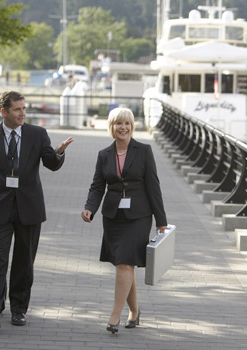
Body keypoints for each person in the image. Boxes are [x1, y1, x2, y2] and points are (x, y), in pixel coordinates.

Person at [0, 91, 74, 329]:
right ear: (4, 112)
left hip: (29, 208)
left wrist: (58, 152)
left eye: (24, 109)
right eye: (17, 109)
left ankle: (19, 309)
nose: (22, 114)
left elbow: (51, 164)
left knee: (24, 262)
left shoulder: (37, 134)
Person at [81, 107, 167, 334]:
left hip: (139, 216)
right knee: (125, 265)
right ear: (112, 127)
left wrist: (161, 220)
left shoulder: (144, 150)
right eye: (119, 123)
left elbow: (153, 186)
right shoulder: (104, 155)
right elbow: (97, 186)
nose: (123, 127)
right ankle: (135, 312)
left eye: (127, 123)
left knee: (125, 263)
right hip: (113, 218)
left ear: (132, 126)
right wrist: (90, 208)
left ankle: (114, 315)